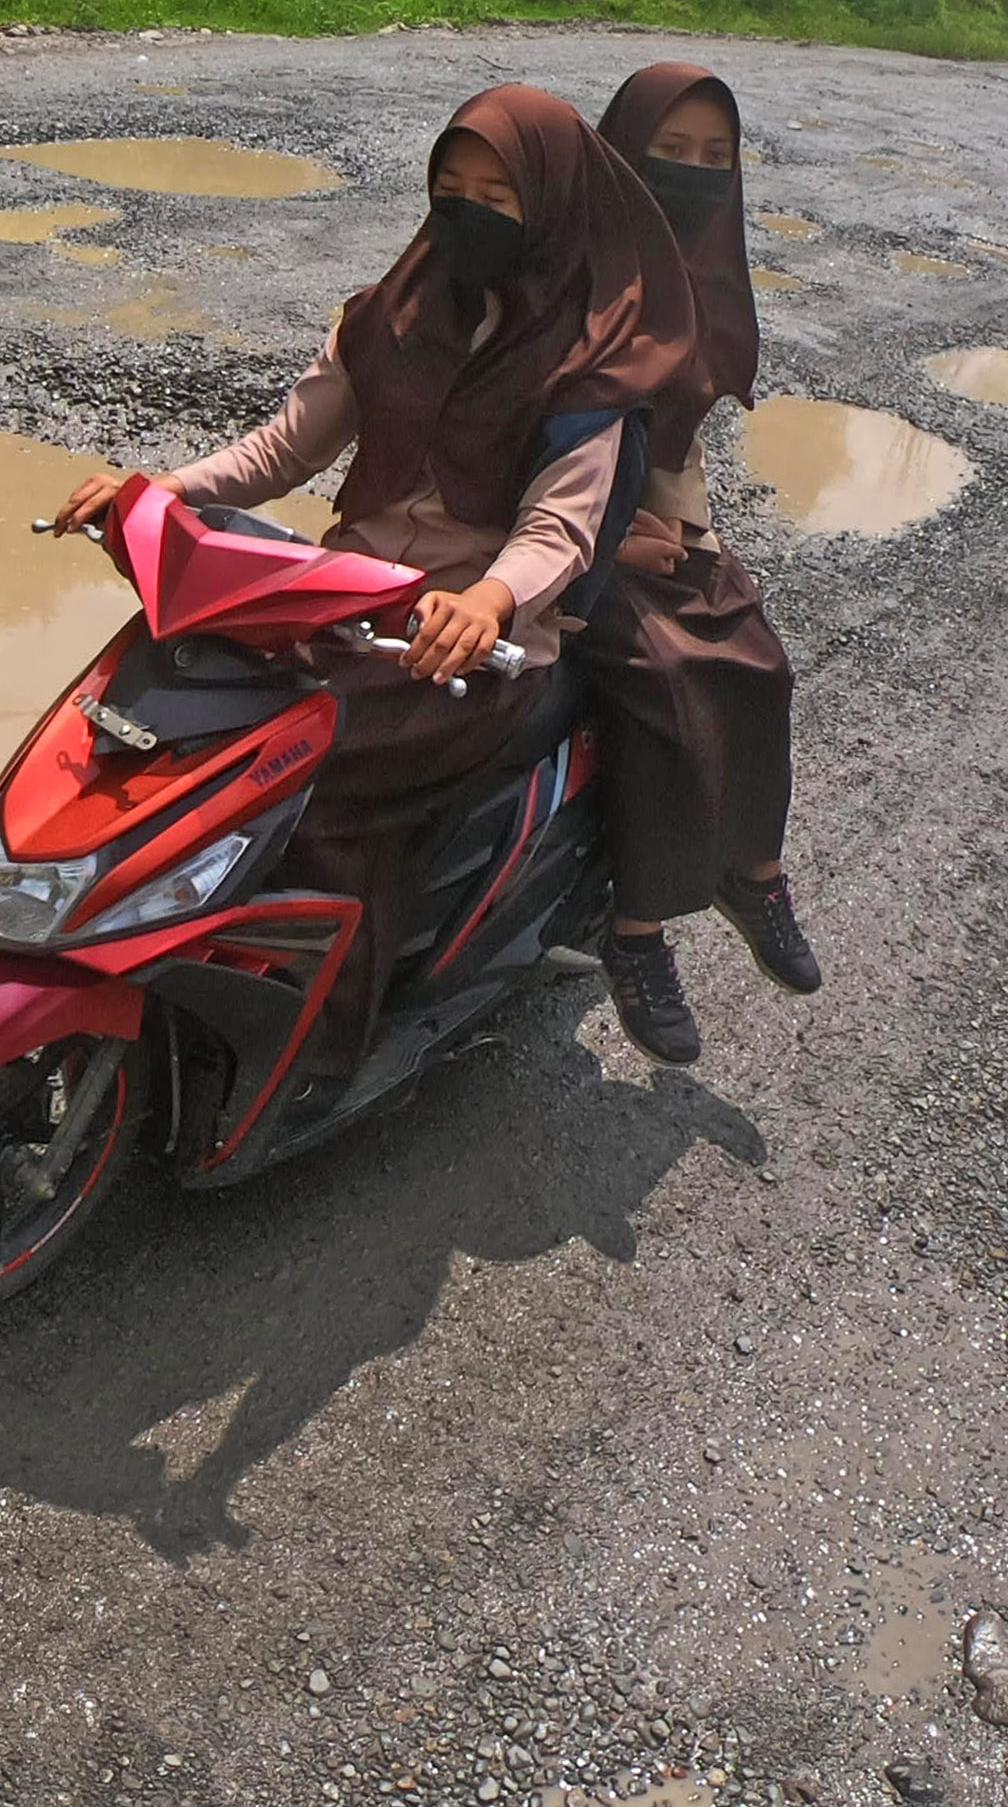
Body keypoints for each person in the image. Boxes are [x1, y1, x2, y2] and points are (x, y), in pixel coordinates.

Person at [53, 84, 697, 1077]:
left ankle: (321, 1041)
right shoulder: (385, 315)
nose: (468, 212)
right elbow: (282, 449)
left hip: (472, 648)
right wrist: (158, 489)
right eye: (451, 186)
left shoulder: (589, 365)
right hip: (341, 598)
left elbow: (559, 528)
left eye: (500, 194)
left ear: (556, 205)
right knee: (182, 715)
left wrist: (486, 601)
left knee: (312, 785)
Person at [579, 61, 820, 1065]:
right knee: (665, 682)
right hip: (563, 529)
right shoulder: (571, 265)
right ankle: (634, 932)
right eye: (667, 153)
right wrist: (610, 535)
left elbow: (677, 444)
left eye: (713, 158)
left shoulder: (705, 281)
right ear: (620, 154)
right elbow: (522, 436)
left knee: (760, 659)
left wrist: (700, 547)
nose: (689, 174)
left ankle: (752, 871)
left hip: (650, 521)